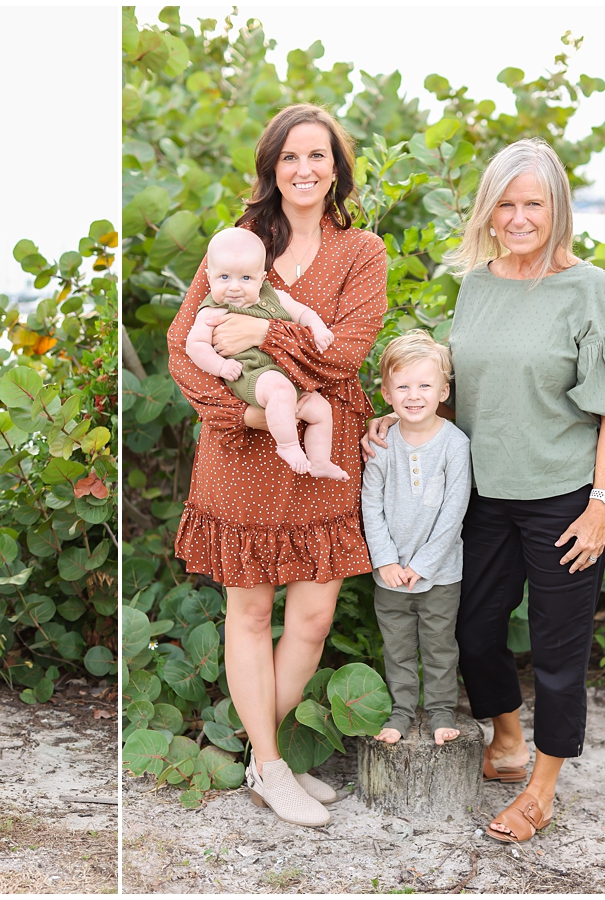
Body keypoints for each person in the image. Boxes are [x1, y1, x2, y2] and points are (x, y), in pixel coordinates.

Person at [362, 138, 605, 842]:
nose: (519, 217)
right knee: (471, 628)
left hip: (565, 497)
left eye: (535, 203)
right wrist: (399, 413)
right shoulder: (477, 284)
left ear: (557, 210)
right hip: (482, 496)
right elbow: (454, 382)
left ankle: (541, 789)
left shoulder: (590, 288)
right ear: (487, 211)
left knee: (558, 653)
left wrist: (600, 507)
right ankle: (507, 737)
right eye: (506, 203)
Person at [168, 103, 388, 827]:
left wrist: (266, 328)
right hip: (241, 449)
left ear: (336, 169)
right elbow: (183, 346)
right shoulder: (237, 243)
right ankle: (268, 761)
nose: (304, 169)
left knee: (315, 615)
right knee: (251, 608)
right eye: (290, 157)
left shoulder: (362, 254)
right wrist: (248, 415)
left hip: (324, 450)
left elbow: (347, 353)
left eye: (317, 156)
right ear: (272, 168)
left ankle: (260, 754)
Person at [361, 331, 470, 747]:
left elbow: (453, 511)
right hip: (389, 573)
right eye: (403, 386)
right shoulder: (382, 443)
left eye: (425, 385)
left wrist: (422, 565)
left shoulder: (454, 445)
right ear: (386, 391)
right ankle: (401, 711)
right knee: (398, 647)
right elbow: (370, 504)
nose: (414, 395)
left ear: (443, 390)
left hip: (440, 573)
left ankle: (442, 710)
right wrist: (385, 560)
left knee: (441, 647)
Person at [186, 227, 347, 480]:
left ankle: (319, 460)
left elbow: (303, 313)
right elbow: (194, 346)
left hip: (285, 375)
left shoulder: (276, 297)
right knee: (280, 390)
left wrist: (317, 328)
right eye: (224, 278)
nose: (235, 288)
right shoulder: (212, 311)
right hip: (248, 374)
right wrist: (219, 366)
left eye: (246, 279)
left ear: (262, 278)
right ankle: (288, 446)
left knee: (320, 410)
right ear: (209, 276)